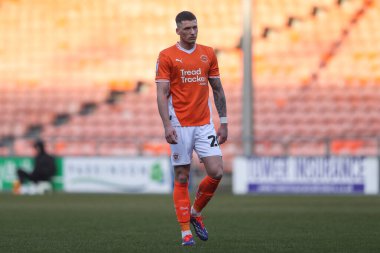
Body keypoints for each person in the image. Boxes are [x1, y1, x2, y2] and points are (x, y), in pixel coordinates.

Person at [155, 11, 228, 246]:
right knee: (182, 176)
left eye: (195, 27)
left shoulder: (208, 53)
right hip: (179, 124)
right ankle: (185, 232)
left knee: (216, 171)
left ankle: (195, 212)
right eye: (187, 28)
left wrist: (223, 122)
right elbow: (162, 93)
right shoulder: (166, 56)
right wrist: (167, 125)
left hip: (204, 124)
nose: (193, 32)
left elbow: (217, 89)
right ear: (177, 30)